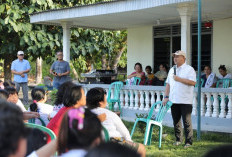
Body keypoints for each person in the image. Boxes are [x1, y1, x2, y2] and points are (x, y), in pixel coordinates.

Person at [86, 87, 146, 157]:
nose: (106, 101)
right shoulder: (110, 114)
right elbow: (125, 132)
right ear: (100, 102)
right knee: (141, 148)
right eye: (105, 98)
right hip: (113, 141)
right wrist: (130, 143)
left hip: (90, 143)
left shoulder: (82, 113)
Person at [163, 50, 196, 148]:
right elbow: (168, 84)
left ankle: (188, 142)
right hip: (174, 100)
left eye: (177, 56)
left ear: (183, 58)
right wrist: (166, 97)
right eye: (174, 57)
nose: (175, 58)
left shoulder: (189, 69)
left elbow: (193, 82)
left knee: (186, 121)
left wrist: (179, 79)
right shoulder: (171, 69)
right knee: (176, 121)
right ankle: (178, 139)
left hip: (185, 100)